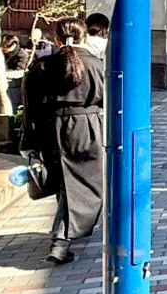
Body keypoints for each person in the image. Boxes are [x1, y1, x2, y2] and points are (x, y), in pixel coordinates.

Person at [23, 19, 106, 265]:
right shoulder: (97, 65)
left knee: (63, 180)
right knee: (86, 182)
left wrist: (29, 140)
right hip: (87, 127)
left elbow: (30, 106)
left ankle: (63, 236)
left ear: (57, 39)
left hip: (51, 127)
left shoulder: (42, 66)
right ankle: (61, 241)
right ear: (84, 38)